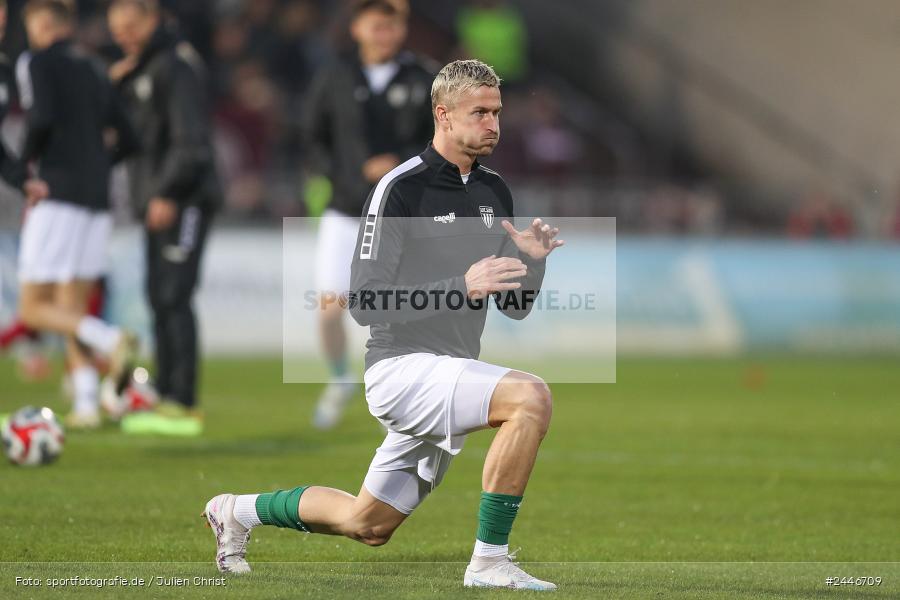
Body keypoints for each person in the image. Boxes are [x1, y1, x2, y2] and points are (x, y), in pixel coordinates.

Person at [204, 60, 564, 591]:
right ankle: (489, 561)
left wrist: (532, 262)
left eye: (497, 113)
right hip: (402, 369)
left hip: (451, 372)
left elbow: (514, 307)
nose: (494, 125)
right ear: (442, 115)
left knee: (367, 524)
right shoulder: (400, 189)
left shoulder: (494, 192)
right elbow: (366, 302)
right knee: (530, 398)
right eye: (480, 113)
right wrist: (461, 285)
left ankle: (235, 511)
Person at [305, 0, 435, 429]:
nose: (386, 34)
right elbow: (312, 135)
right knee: (329, 306)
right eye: (377, 25)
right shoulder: (335, 74)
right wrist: (341, 174)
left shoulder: (422, 77)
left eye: (393, 25)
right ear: (358, 27)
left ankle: (391, 398)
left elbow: (438, 141)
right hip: (344, 209)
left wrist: (398, 161)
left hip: (398, 214)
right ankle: (341, 377)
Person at [14, 0, 139, 429]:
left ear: (43, 26)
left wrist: (26, 162)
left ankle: (110, 338)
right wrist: (100, 164)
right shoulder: (93, 65)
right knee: (73, 306)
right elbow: (130, 135)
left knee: (33, 308)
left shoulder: (37, 61)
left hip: (57, 191)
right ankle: (86, 403)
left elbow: (42, 116)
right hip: (97, 198)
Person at [107, 0, 220, 436]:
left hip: (183, 197)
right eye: (117, 29)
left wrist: (168, 192)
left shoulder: (175, 66)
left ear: (153, 20)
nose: (123, 35)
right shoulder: (146, 68)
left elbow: (190, 141)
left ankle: (183, 402)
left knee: (174, 293)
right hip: (159, 198)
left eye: (131, 25)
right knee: (160, 294)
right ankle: (167, 396)